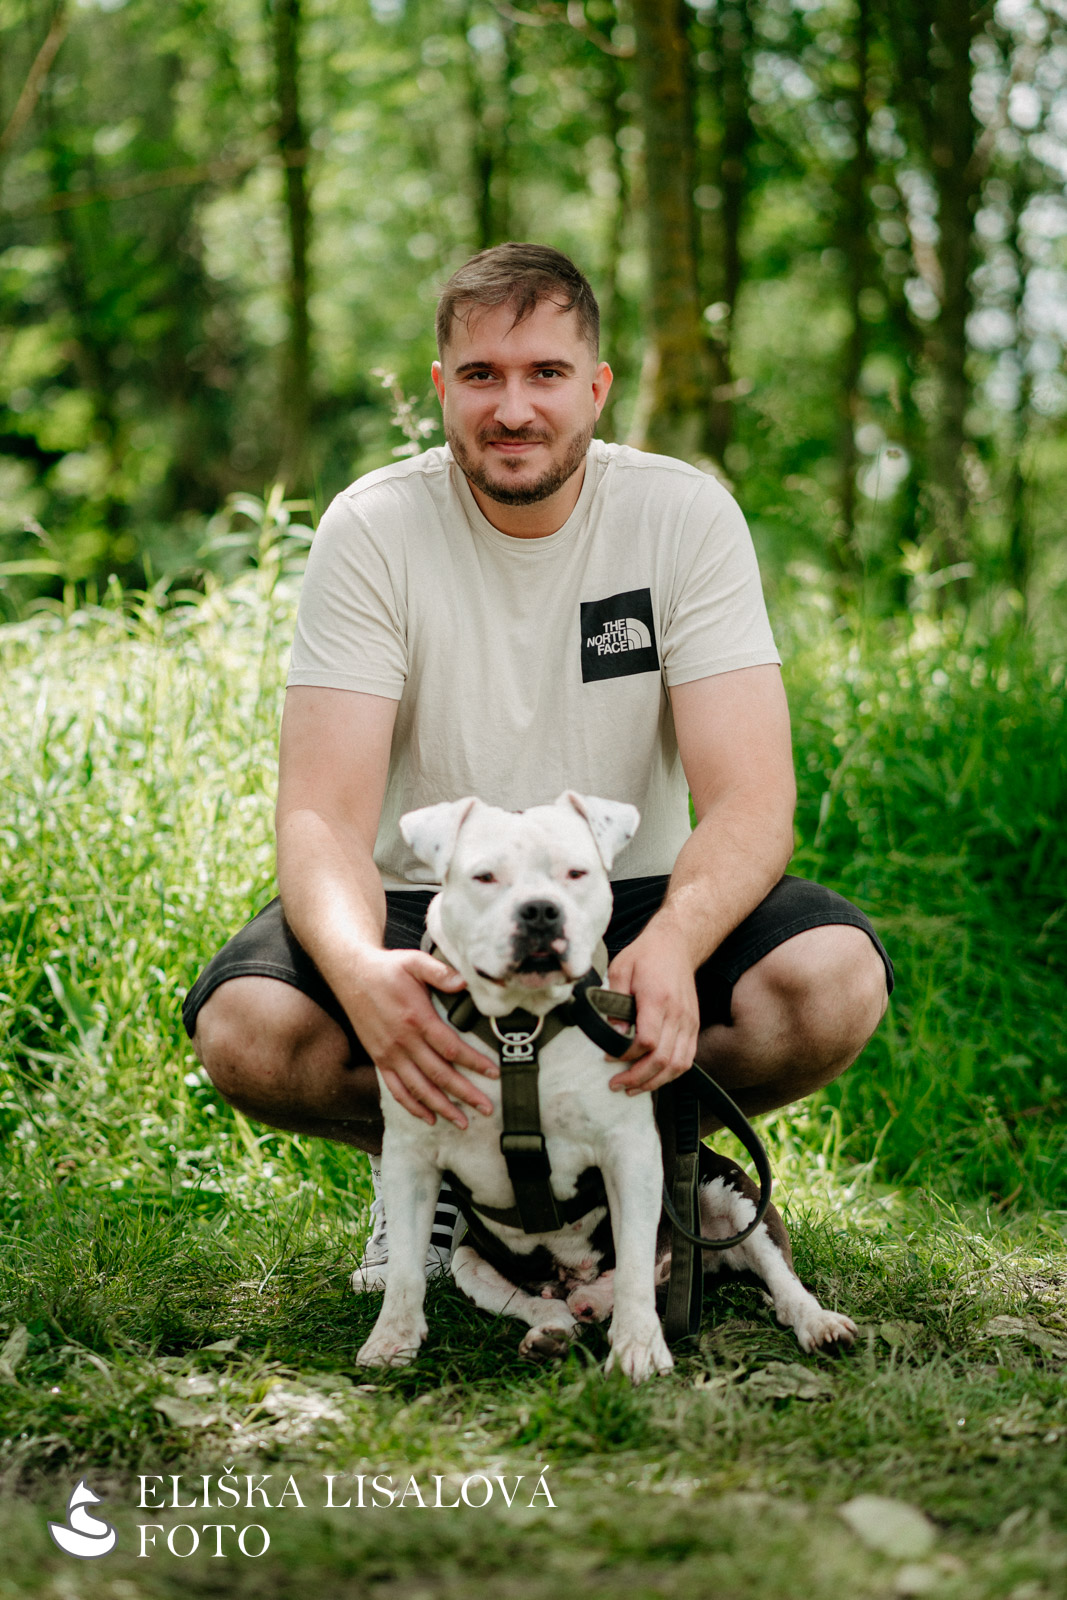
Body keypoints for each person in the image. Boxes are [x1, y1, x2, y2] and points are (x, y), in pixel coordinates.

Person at [183, 242, 892, 1289]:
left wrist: (677, 939)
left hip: (626, 891)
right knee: (249, 1029)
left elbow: (750, 798)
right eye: (482, 375)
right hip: (434, 900)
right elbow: (321, 816)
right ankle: (433, 1170)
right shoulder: (373, 527)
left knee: (830, 982)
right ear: (441, 389)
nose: (512, 408)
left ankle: (647, 1160)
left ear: (595, 389)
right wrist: (361, 973)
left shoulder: (681, 515)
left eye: (545, 373)